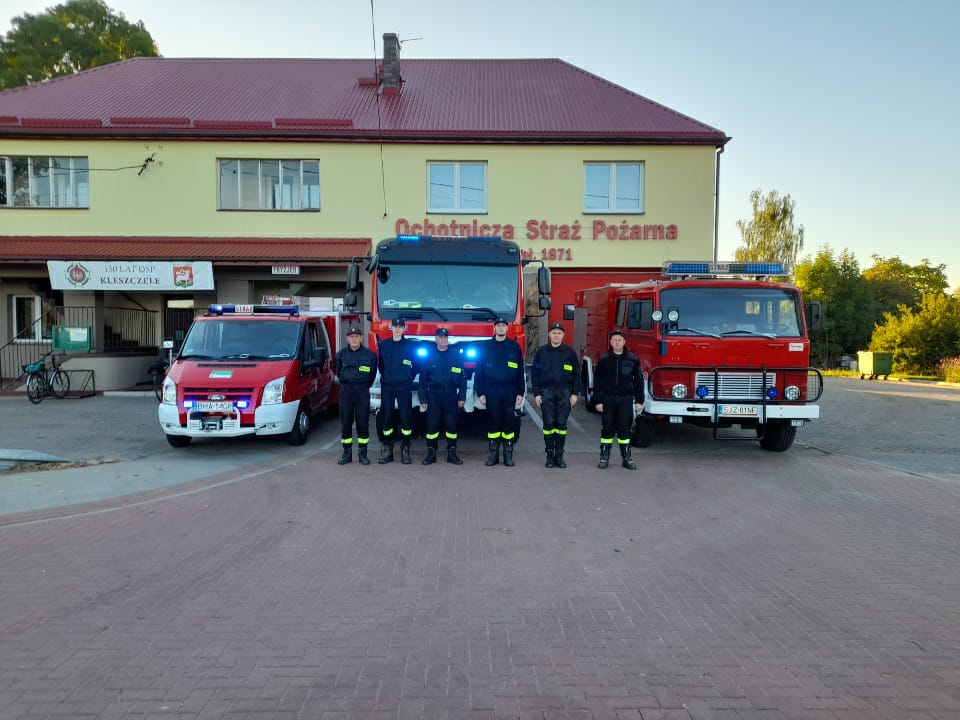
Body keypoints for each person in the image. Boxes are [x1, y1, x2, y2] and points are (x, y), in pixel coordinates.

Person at [475, 317, 525, 467]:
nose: (501, 328)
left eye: (503, 325)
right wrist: (480, 392)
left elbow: (520, 371)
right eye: (498, 326)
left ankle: (508, 455)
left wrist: (520, 392)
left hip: (509, 390)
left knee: (509, 423)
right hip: (491, 390)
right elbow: (479, 371)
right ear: (494, 328)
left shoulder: (514, 347)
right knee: (493, 423)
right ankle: (493, 455)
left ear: (507, 328)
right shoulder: (485, 347)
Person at [530, 321, 580, 468]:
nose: (556, 335)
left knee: (561, 425)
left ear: (563, 335)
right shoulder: (542, 352)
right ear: (549, 335)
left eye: (559, 333)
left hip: (565, 392)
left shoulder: (570, 352)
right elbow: (535, 373)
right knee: (548, 424)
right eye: (554, 333)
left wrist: (574, 394)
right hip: (546, 392)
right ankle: (549, 457)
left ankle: (559, 456)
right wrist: (537, 394)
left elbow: (577, 374)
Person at [593, 329, 644, 470]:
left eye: (619, 340)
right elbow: (597, 382)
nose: (617, 342)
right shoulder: (604, 360)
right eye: (614, 340)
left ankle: (627, 458)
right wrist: (598, 401)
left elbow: (639, 381)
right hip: (608, 398)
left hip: (625, 399)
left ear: (624, 342)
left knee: (624, 429)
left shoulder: (632, 359)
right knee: (607, 429)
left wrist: (639, 401)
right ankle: (604, 457)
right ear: (610, 342)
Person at [419, 327, 467, 465]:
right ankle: (431, 454)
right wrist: (423, 398)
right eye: (440, 337)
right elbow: (422, 380)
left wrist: (462, 397)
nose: (443, 339)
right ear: (436, 339)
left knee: (451, 425)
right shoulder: (429, 356)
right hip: (434, 395)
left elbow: (463, 378)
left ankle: (452, 453)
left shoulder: (455, 355)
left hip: (451, 394)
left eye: (445, 337)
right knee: (432, 425)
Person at [377, 317, 418, 464]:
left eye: (400, 327)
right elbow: (381, 365)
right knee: (387, 417)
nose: (398, 329)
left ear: (404, 329)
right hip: (388, 386)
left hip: (404, 386)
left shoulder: (410, 346)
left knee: (406, 417)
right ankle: (387, 449)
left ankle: (405, 449)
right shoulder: (384, 345)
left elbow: (417, 365)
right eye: (395, 327)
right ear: (391, 328)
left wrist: (408, 377)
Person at [334, 325, 377, 465]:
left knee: (363, 422)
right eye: (351, 337)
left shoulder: (370, 355)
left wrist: (363, 386)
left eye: (357, 336)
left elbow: (372, 375)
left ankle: (363, 454)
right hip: (346, 391)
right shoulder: (340, 355)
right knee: (346, 422)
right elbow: (338, 372)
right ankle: (347, 454)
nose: (354, 339)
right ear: (347, 338)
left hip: (362, 391)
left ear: (361, 338)